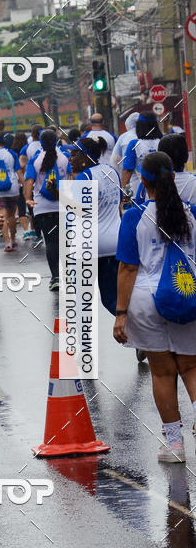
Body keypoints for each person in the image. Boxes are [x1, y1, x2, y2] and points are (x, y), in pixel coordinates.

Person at [114, 152, 196, 463]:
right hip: (185, 292)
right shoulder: (191, 214)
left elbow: (128, 268)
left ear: (143, 182)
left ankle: (174, 445)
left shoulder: (134, 217)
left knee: (162, 374)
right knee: (191, 366)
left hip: (146, 301)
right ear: (173, 177)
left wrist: (121, 314)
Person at [68, 136, 121, 315]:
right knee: (112, 298)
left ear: (85, 157)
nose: (70, 159)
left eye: (74, 155)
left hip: (88, 247)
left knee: (81, 302)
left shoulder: (84, 178)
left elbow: (80, 214)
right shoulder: (111, 171)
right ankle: (138, 334)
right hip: (114, 244)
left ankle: (82, 341)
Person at [24, 128, 70, 291]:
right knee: (65, 241)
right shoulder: (65, 157)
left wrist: (28, 199)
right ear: (57, 140)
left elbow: (29, 181)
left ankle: (55, 277)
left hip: (42, 207)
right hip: (63, 204)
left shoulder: (35, 159)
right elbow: (71, 178)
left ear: (40, 143)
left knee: (50, 242)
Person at [0, 131, 23, 252]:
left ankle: (7, 243)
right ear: (4, 141)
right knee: (12, 215)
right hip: (13, 189)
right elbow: (18, 171)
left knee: (2, 216)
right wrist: (23, 183)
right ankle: (13, 239)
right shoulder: (11, 153)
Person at [121, 112, 161, 195]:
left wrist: (123, 192)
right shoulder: (163, 141)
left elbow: (127, 171)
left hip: (142, 194)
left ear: (139, 126)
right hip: (164, 191)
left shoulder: (134, 144)